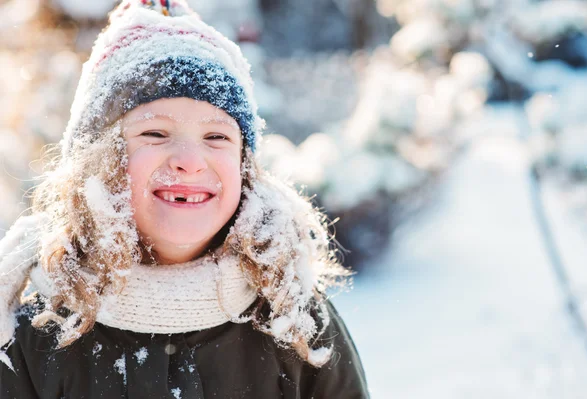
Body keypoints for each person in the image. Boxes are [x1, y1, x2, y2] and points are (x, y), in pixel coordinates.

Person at [0, 1, 369, 398]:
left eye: (217, 137)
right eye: (155, 134)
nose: (190, 163)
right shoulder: (35, 330)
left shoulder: (293, 319)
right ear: (97, 163)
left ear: (245, 169)